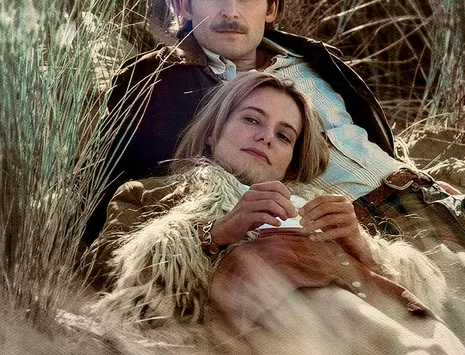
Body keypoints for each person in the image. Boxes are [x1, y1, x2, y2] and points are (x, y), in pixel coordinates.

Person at [84, 0, 465, 260]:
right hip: (362, 239)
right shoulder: (161, 83)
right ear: (184, 3)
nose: (230, 11)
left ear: (271, 6)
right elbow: (120, 202)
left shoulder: (313, 58)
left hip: (433, 199)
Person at [84, 73, 464, 354]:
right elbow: (107, 267)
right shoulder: (152, 193)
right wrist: (216, 234)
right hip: (276, 321)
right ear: (213, 133)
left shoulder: (320, 206)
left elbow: (413, 285)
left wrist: (364, 248)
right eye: (251, 119)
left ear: (290, 162)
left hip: (388, 315)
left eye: (284, 136)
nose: (266, 136)